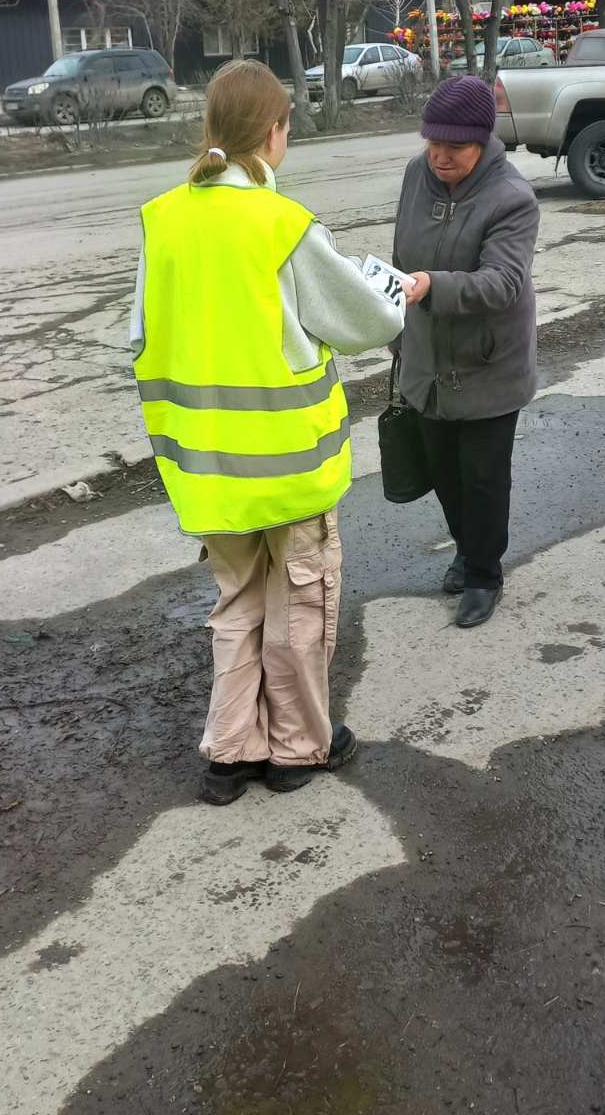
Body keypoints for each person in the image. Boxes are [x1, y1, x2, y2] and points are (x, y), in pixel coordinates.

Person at [131, 59, 404, 805]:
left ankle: (229, 754)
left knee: (236, 606)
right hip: (287, 469)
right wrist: (394, 289)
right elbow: (365, 321)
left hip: (205, 473)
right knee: (300, 608)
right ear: (274, 132)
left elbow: (141, 335)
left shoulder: (163, 221)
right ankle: (298, 748)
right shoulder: (281, 226)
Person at [391, 74, 540, 629]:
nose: (440, 156)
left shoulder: (512, 198)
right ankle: (464, 548)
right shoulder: (416, 175)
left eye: (455, 146)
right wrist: (394, 325)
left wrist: (432, 285)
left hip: (488, 362)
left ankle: (484, 574)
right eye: (433, 143)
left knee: (481, 477)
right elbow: (400, 253)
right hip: (427, 355)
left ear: (482, 141)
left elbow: (503, 283)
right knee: (442, 470)